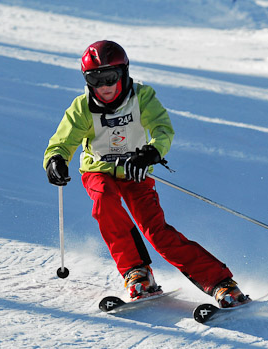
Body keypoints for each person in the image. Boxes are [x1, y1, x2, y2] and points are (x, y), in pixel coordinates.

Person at [43, 40, 248, 308]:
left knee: (157, 232)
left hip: (135, 172)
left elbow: (162, 129)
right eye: (95, 78)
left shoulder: (142, 97)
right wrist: (55, 160)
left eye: (110, 77)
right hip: (98, 171)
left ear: (124, 73)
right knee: (104, 202)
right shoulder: (82, 107)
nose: (103, 86)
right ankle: (136, 272)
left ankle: (221, 283)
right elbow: (63, 141)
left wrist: (151, 152)